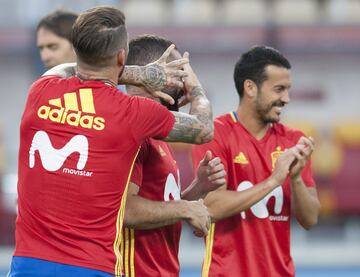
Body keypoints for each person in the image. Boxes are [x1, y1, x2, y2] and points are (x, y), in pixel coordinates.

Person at [9, 6, 214, 277]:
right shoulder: (133, 113)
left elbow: (62, 69)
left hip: (28, 264)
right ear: (121, 56)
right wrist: (193, 84)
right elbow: (203, 128)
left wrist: (135, 74)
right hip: (91, 266)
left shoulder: (40, 91)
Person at [192, 46, 321, 277]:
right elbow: (211, 207)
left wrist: (296, 178)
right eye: (279, 90)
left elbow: (310, 219)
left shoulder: (294, 141)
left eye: (288, 90)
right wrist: (273, 180)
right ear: (250, 87)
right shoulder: (215, 134)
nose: (286, 99)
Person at [123, 35, 226, 277]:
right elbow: (126, 210)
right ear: (152, 73)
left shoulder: (158, 132)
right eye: (179, 71)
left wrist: (196, 190)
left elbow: (158, 206)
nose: (184, 81)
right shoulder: (133, 129)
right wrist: (185, 208)